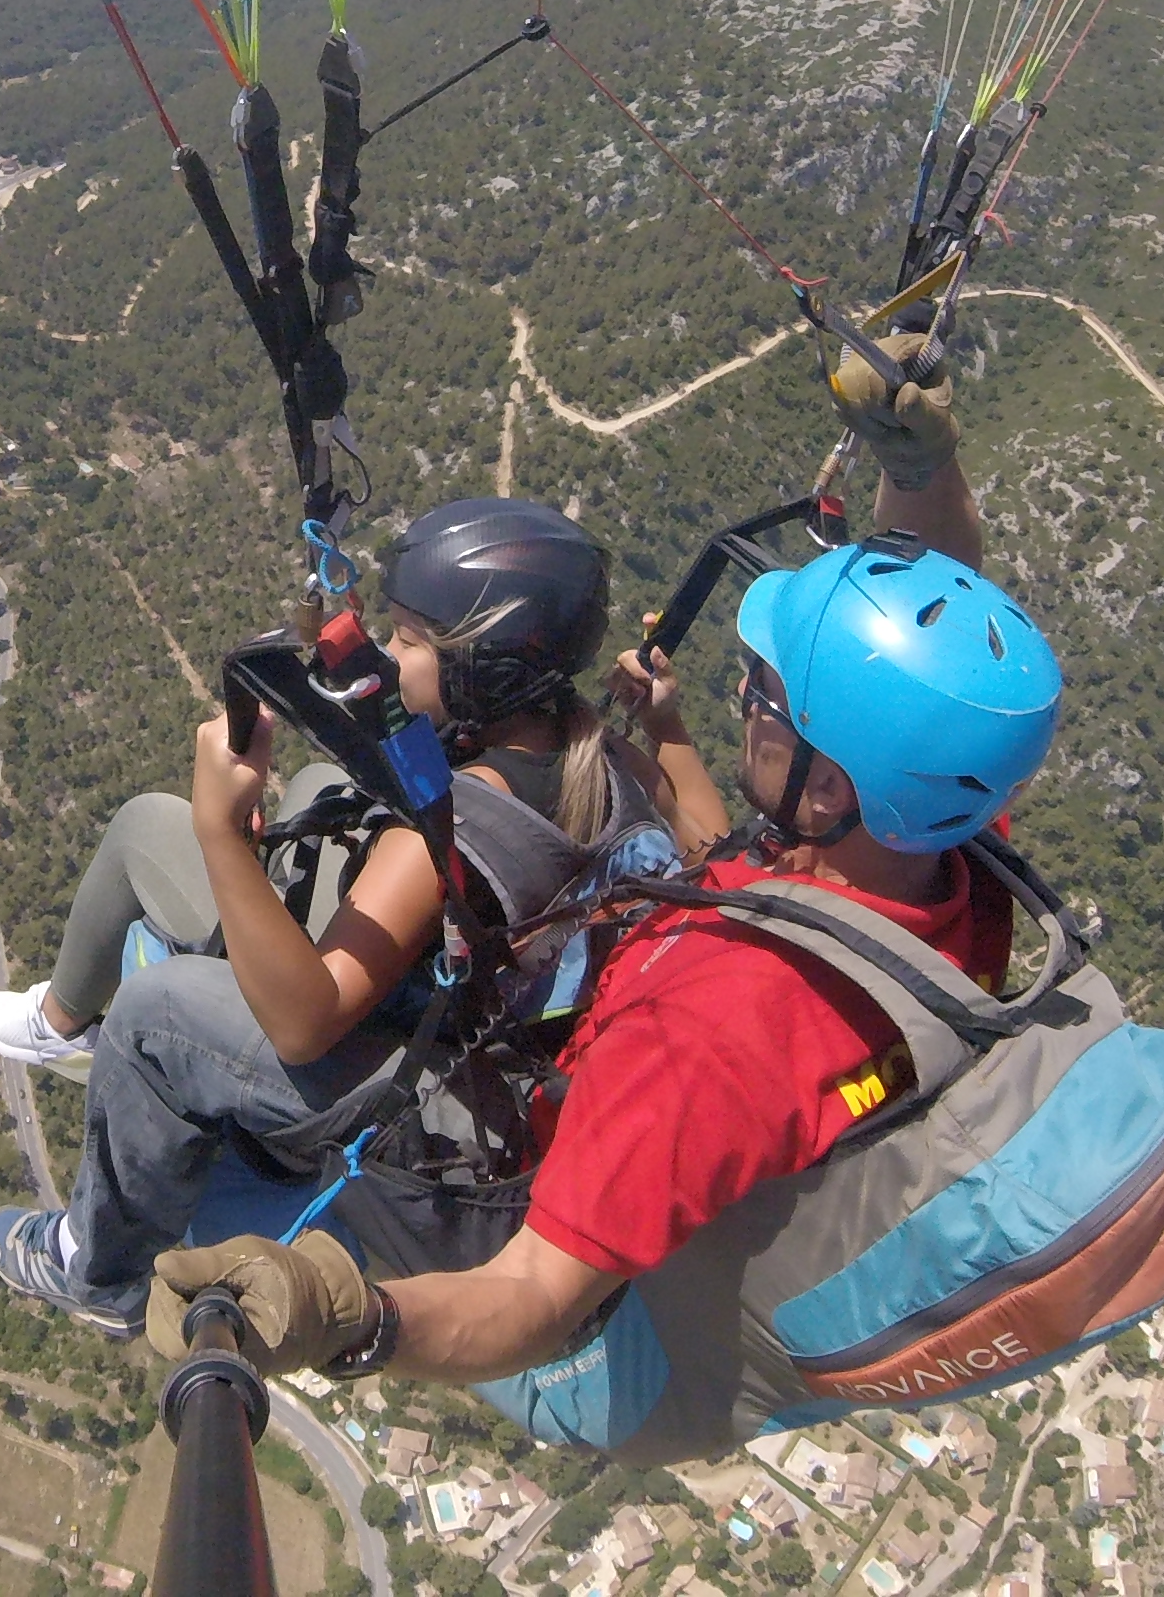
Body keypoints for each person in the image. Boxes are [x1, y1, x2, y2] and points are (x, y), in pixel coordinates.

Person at [139, 355, 1070, 1406]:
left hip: (525, 1233)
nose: (747, 694)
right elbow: (942, 692)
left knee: (163, 1015)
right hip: (635, 1086)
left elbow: (537, 1298)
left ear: (826, 794)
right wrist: (922, 468)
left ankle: (110, 1248)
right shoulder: (934, 860)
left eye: (769, 699)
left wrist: (347, 1312)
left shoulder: (709, 1041)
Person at [0, 498, 722, 1338]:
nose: (388, 654)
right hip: (495, 1052)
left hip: (441, 1122)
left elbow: (305, 1027)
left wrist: (220, 832)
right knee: (318, 796)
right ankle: (73, 1026)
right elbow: (715, 849)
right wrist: (665, 723)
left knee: (156, 1012)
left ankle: (94, 1268)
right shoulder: (609, 757)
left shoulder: (455, 830)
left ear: (486, 672)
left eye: (408, 640)